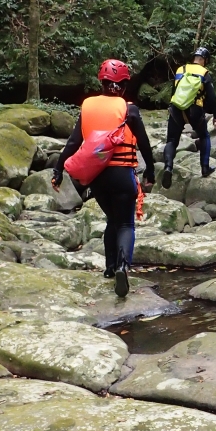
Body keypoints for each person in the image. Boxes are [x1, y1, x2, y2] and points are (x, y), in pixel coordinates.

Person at [53, 59, 155, 297]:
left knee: (112, 219)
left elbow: (73, 142)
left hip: (96, 177)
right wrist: (151, 169)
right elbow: (143, 142)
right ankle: (122, 267)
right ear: (124, 85)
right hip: (122, 175)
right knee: (126, 223)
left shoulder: (87, 105)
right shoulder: (129, 109)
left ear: (102, 82)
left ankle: (109, 268)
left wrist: (58, 170)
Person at [162, 47, 216, 187]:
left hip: (176, 108)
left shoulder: (180, 70)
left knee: (171, 141)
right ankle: (205, 168)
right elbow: (212, 97)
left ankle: (168, 167)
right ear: (205, 60)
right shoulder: (204, 73)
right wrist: (215, 115)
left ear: (194, 58)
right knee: (204, 136)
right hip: (195, 109)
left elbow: (174, 91)